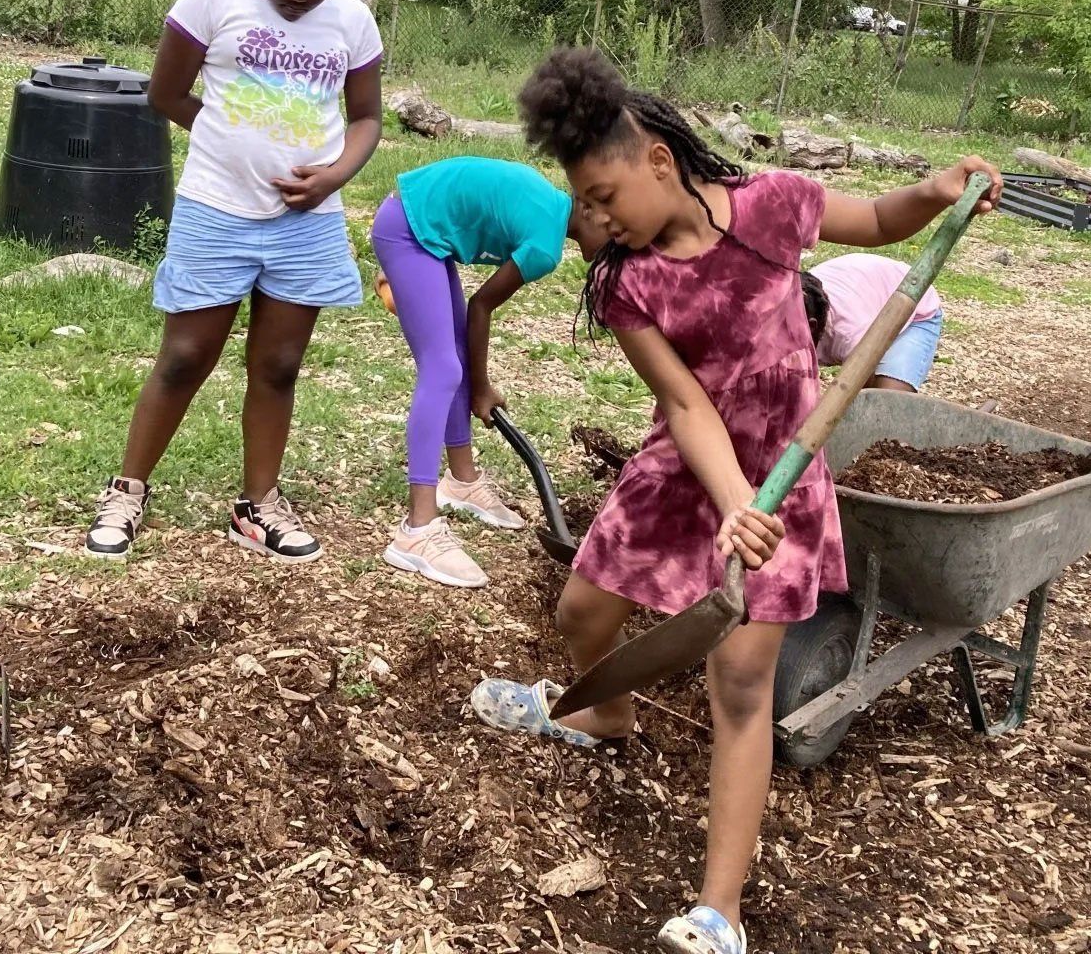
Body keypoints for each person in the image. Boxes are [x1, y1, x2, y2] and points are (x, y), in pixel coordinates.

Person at [469, 48, 1000, 954]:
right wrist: (730, 502)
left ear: (659, 164)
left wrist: (934, 190)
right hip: (689, 465)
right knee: (581, 608)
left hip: (786, 470)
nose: (592, 222)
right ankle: (606, 712)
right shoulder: (629, 282)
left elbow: (873, 220)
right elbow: (683, 405)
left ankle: (720, 911)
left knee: (742, 681)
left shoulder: (775, 205)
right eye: (583, 205)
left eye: (603, 197)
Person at [84, 0, 382, 562]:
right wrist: (219, 137)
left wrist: (335, 173)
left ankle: (258, 504)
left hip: (304, 224)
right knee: (185, 356)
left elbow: (366, 118)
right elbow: (165, 92)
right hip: (216, 211)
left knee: (278, 365)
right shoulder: (212, 0)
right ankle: (128, 488)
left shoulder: (352, 20)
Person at [370, 156, 608, 588]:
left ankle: (462, 481)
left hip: (420, 225)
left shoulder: (548, 205)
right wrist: (481, 388)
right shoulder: (544, 247)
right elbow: (482, 306)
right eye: (616, 227)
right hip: (408, 229)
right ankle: (418, 529)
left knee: (452, 355)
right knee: (442, 368)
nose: (619, 240)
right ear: (588, 208)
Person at [800, 252, 944, 392]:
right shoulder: (792, 306)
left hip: (914, 308)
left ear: (812, 327)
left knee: (886, 401)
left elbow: (853, 395)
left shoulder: (850, 334)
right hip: (866, 290)